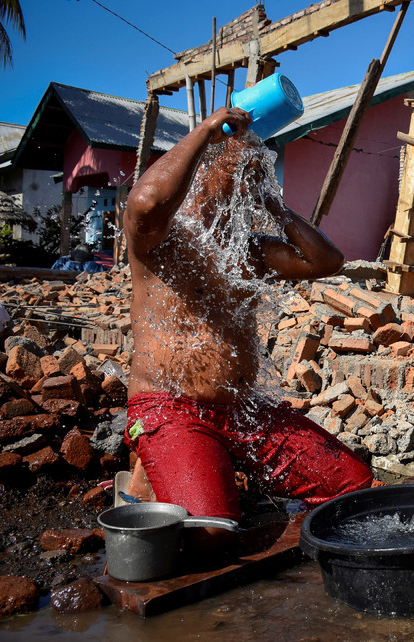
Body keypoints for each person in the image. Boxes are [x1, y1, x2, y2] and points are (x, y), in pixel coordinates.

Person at [121, 107, 372, 543]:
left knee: (353, 489)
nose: (244, 183)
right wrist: (203, 132)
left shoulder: (248, 250)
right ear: (200, 173)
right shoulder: (159, 238)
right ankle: (154, 471)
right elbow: (147, 200)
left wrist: (271, 202)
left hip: (241, 407)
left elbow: (326, 261)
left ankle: (198, 470)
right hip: (171, 406)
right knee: (213, 533)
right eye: (236, 172)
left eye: (253, 175)